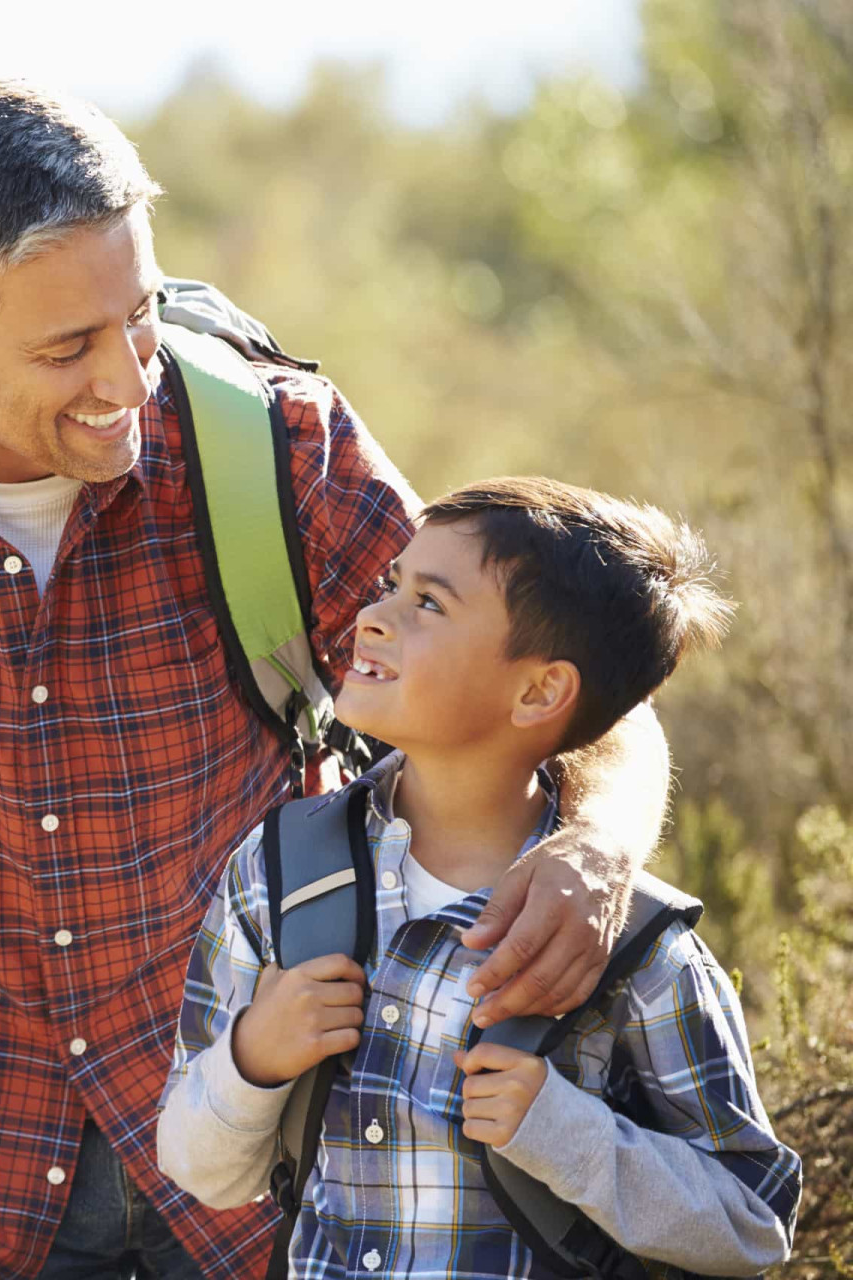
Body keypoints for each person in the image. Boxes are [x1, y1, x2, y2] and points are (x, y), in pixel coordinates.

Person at [0, 81, 673, 1280]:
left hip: (284, 1182)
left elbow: (548, 680)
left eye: (136, 315)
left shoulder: (274, 442)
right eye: (65, 347)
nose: (129, 379)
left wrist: (598, 845)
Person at [156, 477, 802, 1279]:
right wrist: (252, 1057)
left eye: (429, 604)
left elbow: (752, 1225)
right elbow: (196, 1166)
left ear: (538, 692)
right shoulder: (279, 872)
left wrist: (568, 1133)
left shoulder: (631, 948)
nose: (373, 616)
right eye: (393, 583)